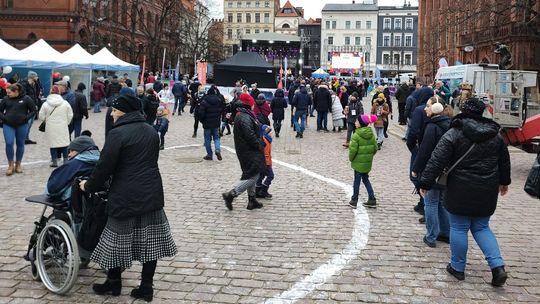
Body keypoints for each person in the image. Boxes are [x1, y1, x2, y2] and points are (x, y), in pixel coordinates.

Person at [79, 94, 177, 301]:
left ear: (123, 111)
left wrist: (88, 185)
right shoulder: (151, 131)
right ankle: (146, 287)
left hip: (125, 195)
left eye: (114, 110)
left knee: (116, 241)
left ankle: (113, 283)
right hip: (151, 193)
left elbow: (104, 167)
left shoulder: (118, 134)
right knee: (151, 243)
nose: (112, 114)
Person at [418, 97, 511, 287]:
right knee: (482, 227)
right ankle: (497, 266)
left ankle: (457, 267)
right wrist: (504, 182)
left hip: (460, 187)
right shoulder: (495, 135)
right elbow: (504, 161)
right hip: (487, 188)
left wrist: (425, 182)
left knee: (459, 227)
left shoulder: (455, 132)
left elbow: (437, 159)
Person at [411, 96, 450, 248]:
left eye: (428, 106)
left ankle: (431, 235)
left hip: (432, 170)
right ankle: (445, 233)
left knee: (431, 203)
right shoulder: (448, 124)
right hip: (444, 171)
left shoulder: (432, 127)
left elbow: (424, 151)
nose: (425, 108)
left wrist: (415, 169)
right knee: (440, 203)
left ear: (435, 109)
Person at [222, 93, 265, 211]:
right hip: (248, 151)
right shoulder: (244, 116)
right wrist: (259, 144)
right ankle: (231, 194)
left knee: (250, 173)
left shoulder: (244, 114)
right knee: (254, 175)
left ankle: (252, 200)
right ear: (248, 104)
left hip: (246, 150)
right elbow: (249, 135)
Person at [46, 135, 100, 201]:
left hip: (73, 201)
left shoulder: (73, 165)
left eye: (72, 151)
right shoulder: (102, 161)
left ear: (81, 150)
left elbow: (52, 188)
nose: (69, 154)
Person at [0, 83, 36, 175]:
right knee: (9, 143)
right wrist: (4, 118)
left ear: (16, 91)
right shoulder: (5, 99)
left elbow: (33, 110)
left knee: (20, 144)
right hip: (8, 125)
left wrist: (26, 118)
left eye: (9, 92)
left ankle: (18, 164)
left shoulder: (26, 98)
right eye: (7, 92)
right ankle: (10, 165)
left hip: (22, 125)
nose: (7, 94)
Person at [348, 114, 378, 209]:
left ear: (360, 124)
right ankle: (372, 198)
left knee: (357, 182)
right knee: (365, 179)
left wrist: (351, 159)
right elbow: (375, 148)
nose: (355, 123)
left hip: (358, 163)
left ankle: (354, 200)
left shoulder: (356, 135)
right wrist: (369, 156)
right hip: (367, 163)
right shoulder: (371, 134)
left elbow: (353, 151)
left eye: (357, 121)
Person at [40, 85, 74, 167]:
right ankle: (65, 160)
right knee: (64, 143)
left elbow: (41, 116)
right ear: (58, 92)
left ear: (50, 92)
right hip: (62, 125)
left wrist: (47, 121)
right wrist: (66, 122)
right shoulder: (65, 103)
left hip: (51, 127)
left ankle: (54, 161)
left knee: (53, 144)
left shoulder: (45, 104)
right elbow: (70, 115)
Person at [197, 87, 223, 160]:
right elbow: (221, 110)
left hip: (207, 123)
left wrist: (202, 121)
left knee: (207, 139)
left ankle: (209, 155)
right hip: (216, 123)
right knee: (216, 138)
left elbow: (201, 113)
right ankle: (217, 149)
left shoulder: (204, 101)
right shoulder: (218, 100)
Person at [20, 70, 42, 145]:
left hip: (33, 106)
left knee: (30, 123)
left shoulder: (35, 83)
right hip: (27, 107)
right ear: (32, 76)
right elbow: (23, 95)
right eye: (36, 76)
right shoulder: (23, 83)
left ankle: (26, 138)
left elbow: (37, 92)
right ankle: (22, 139)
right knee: (27, 123)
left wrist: (37, 82)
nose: (37, 77)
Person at [255, 124, 274, 199]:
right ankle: (263, 190)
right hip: (264, 162)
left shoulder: (267, 139)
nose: (270, 133)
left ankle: (257, 191)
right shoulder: (263, 139)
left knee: (261, 176)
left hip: (266, 160)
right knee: (270, 175)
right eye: (268, 131)